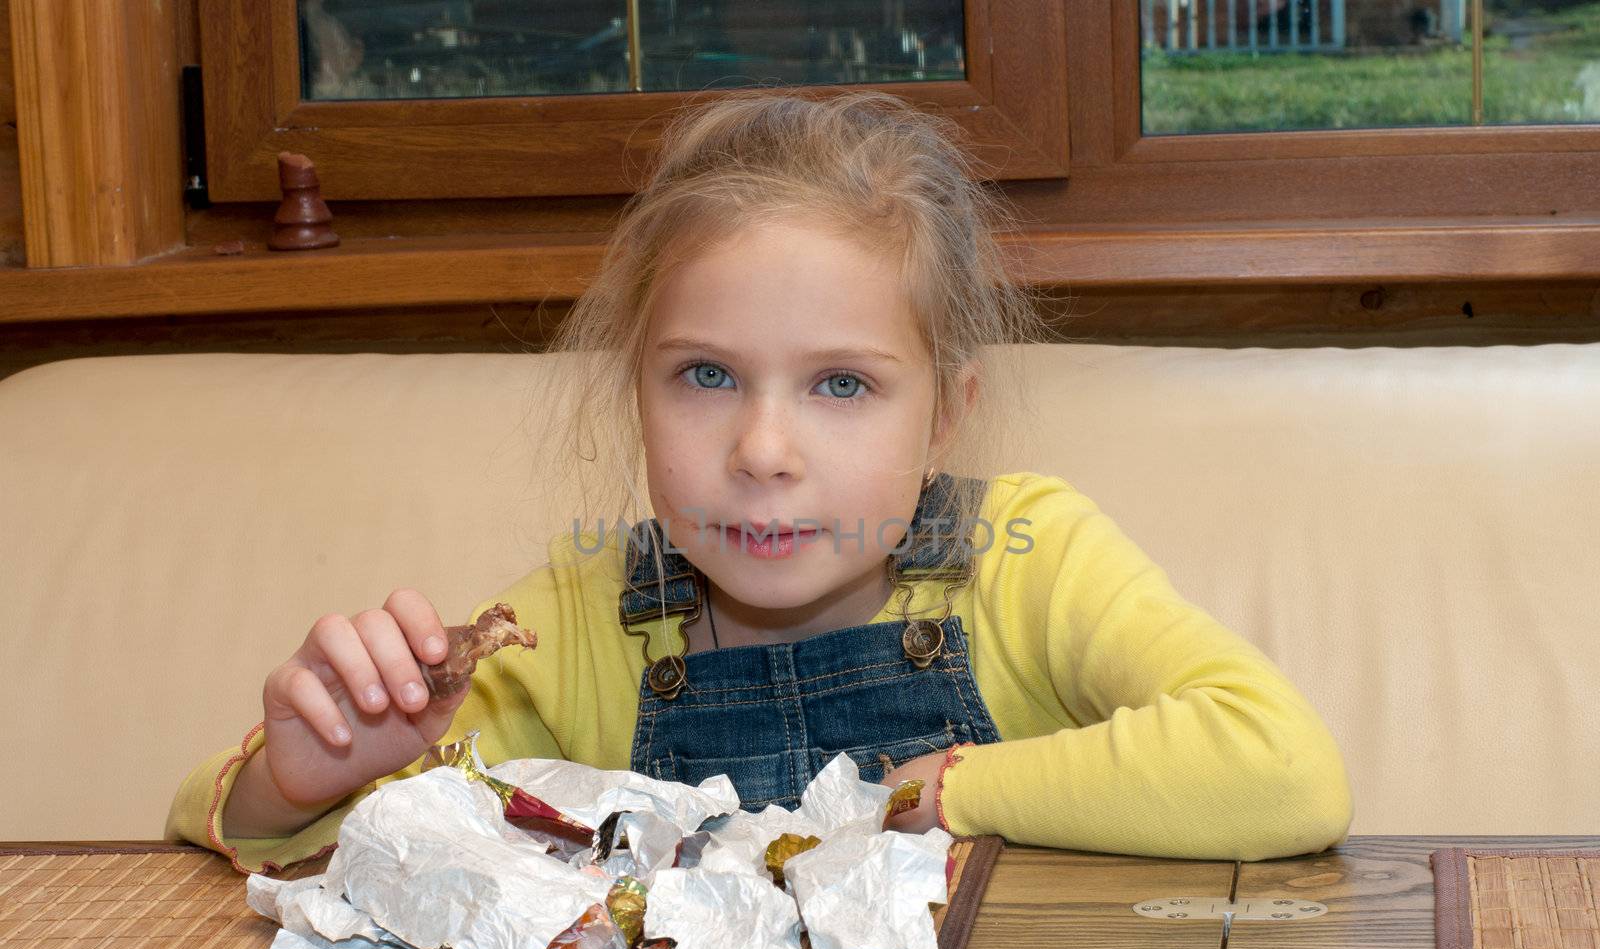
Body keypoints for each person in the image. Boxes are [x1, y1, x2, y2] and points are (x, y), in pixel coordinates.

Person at [165, 89, 1352, 876]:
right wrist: (299, 779)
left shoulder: (1029, 562)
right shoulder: (579, 616)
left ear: (945, 417)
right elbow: (248, 831)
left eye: (841, 385)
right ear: (634, 389)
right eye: (705, 376)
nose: (763, 451)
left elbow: (1283, 768)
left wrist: (960, 789)